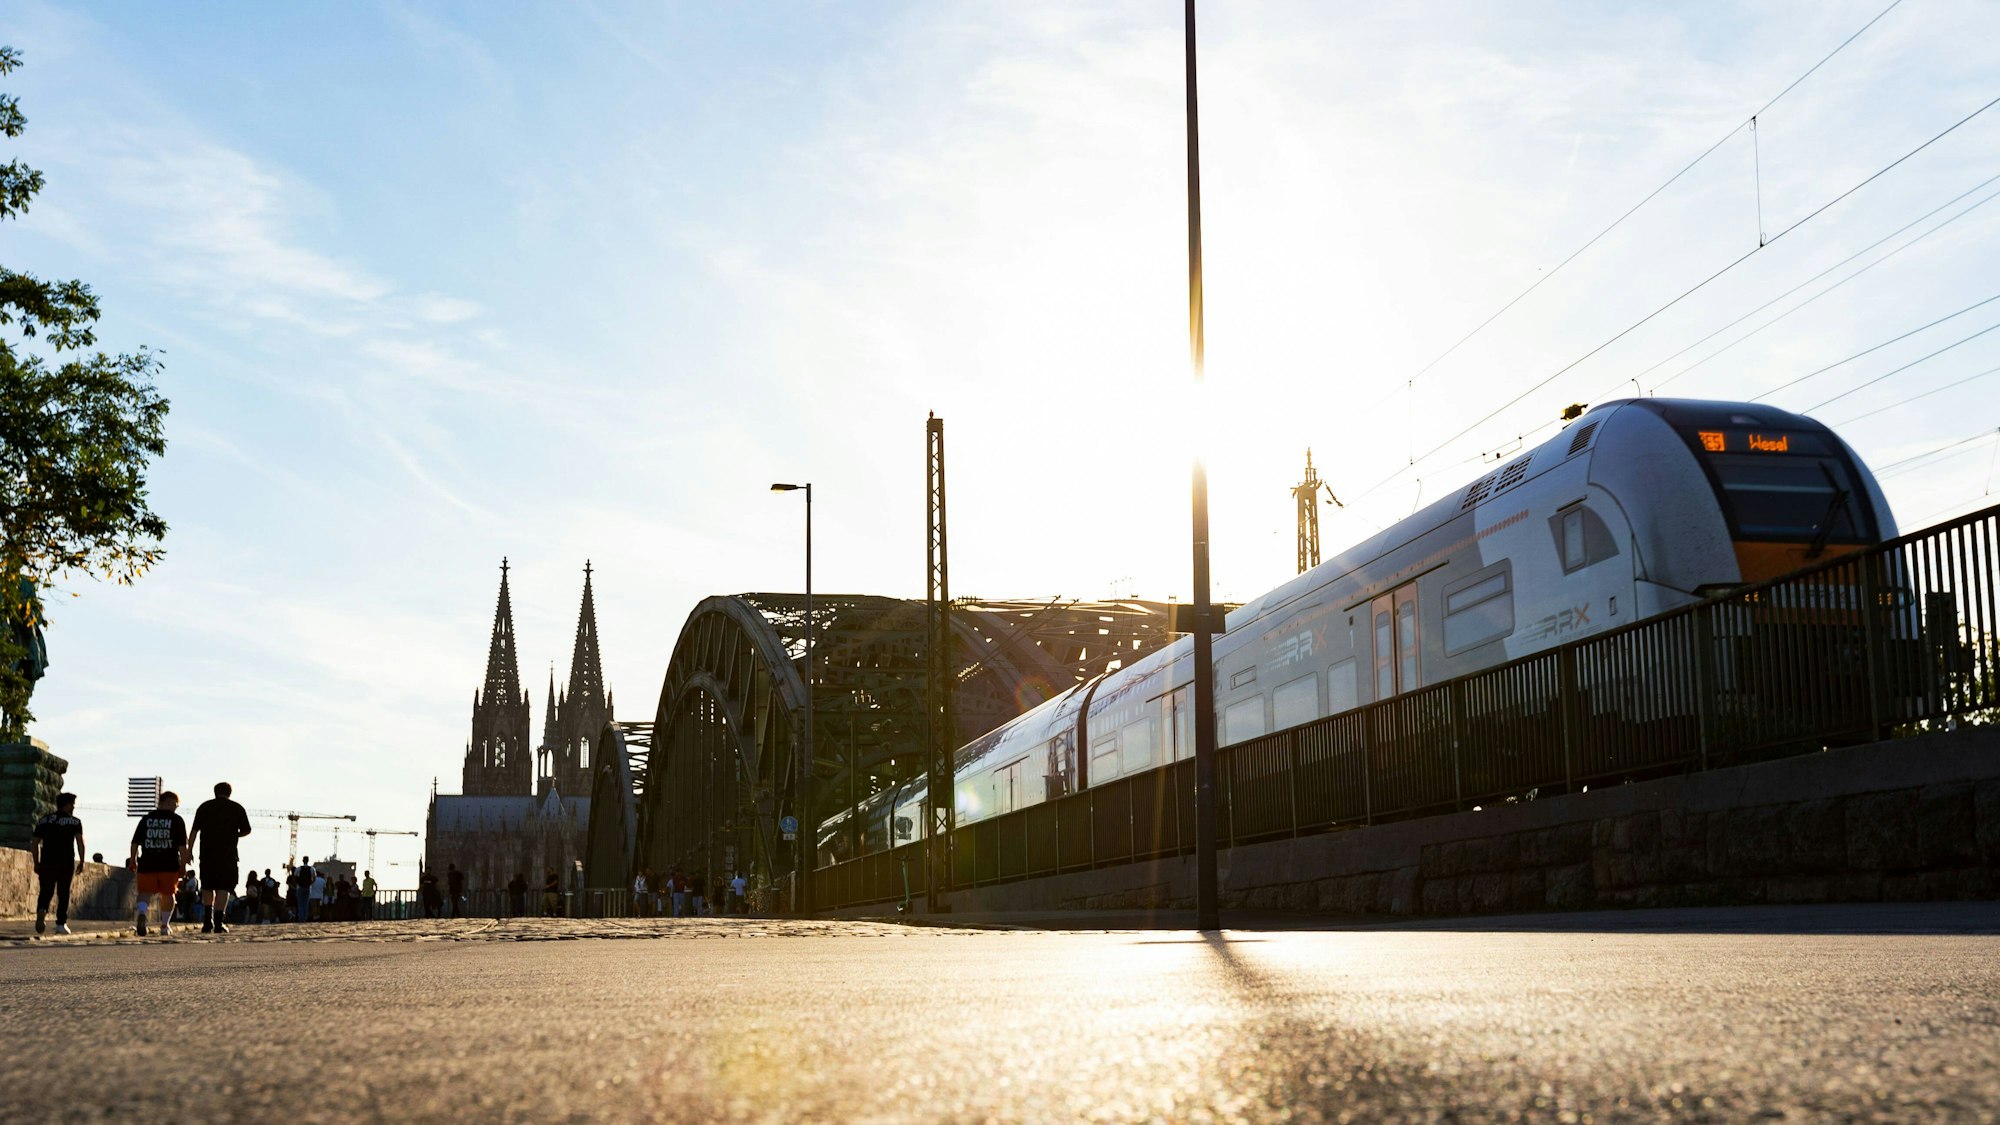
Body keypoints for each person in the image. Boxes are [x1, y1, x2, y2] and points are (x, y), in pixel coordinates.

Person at [188, 781, 253, 935]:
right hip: (228, 854)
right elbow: (247, 830)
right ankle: (218, 922)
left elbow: (194, 831)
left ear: (215, 792)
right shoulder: (236, 808)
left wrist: (189, 850)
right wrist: (233, 835)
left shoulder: (204, 807)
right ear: (230, 792)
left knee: (208, 887)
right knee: (224, 887)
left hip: (207, 853)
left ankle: (206, 921)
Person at [128, 790, 189, 936]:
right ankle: (164, 925)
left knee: (144, 893)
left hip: (147, 862)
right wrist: (183, 866)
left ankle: (142, 913)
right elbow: (182, 847)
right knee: (168, 894)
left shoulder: (146, 819)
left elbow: (135, 842)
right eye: (174, 804)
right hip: (169, 864)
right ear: (166, 802)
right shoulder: (177, 821)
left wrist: (133, 860)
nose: (175, 808)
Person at [31, 792, 86, 936]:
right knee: (63, 893)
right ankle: (61, 924)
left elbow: (35, 843)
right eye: (72, 804)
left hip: (47, 861)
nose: (73, 807)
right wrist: (82, 860)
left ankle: (42, 910)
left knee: (45, 890)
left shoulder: (44, 821)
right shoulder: (75, 822)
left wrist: (36, 862)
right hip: (66, 862)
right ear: (67, 804)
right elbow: (80, 841)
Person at [293, 857, 316, 923]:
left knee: (300, 903)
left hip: (299, 887)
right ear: (308, 861)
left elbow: (294, 878)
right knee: (306, 903)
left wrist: (298, 884)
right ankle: (305, 918)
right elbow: (314, 878)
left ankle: (301, 918)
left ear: (302, 861)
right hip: (308, 887)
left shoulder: (299, 868)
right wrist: (310, 884)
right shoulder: (312, 869)